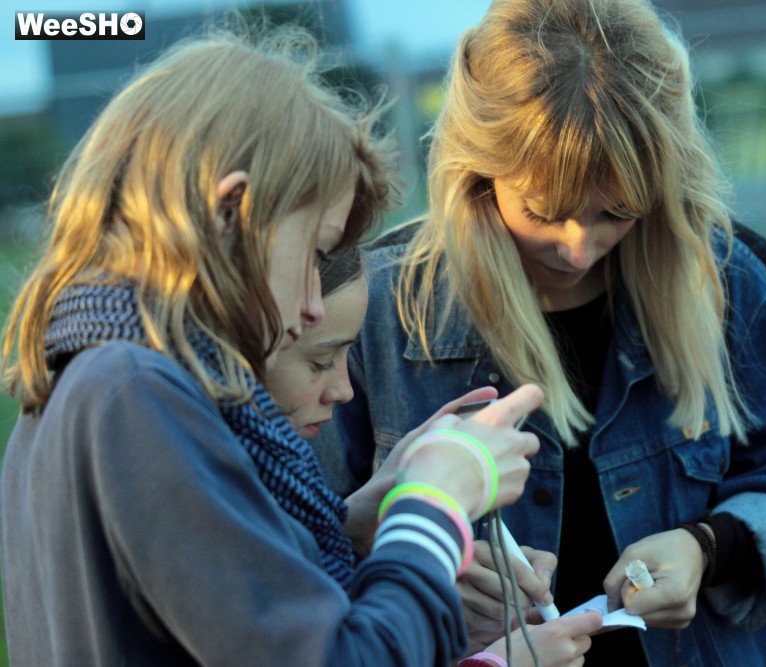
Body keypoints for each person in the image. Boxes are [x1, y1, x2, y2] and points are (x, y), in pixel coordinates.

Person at [321, 0, 766, 664]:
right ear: (478, 167)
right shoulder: (376, 309)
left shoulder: (735, 280)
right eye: (543, 211)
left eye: (616, 212)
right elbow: (293, 543)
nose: (579, 249)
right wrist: (415, 561)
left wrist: (709, 545)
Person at [0, 27, 562, 666]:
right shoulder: (136, 391)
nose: (313, 306)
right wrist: (433, 505)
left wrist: (355, 517)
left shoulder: (82, 376)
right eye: (316, 251)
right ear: (232, 211)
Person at [268, 246, 603, 666]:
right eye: (320, 361)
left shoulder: (248, 465)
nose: (344, 390)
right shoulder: (208, 476)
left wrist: (351, 519)